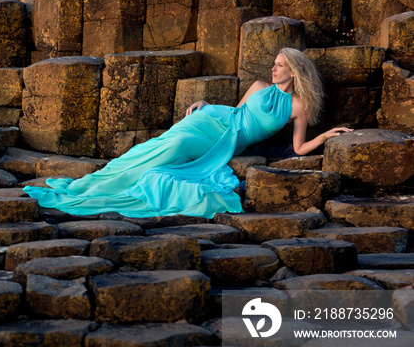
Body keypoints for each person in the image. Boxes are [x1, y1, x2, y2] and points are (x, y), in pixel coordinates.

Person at [23, 48, 353, 219]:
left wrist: (325, 138)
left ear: (293, 71)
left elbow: (298, 148)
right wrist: (208, 104)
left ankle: (109, 184)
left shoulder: (298, 107)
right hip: (213, 120)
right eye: (274, 63)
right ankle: (98, 181)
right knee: (165, 143)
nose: (273, 67)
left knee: (176, 145)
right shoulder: (258, 86)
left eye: (279, 64)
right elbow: (236, 112)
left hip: (228, 141)